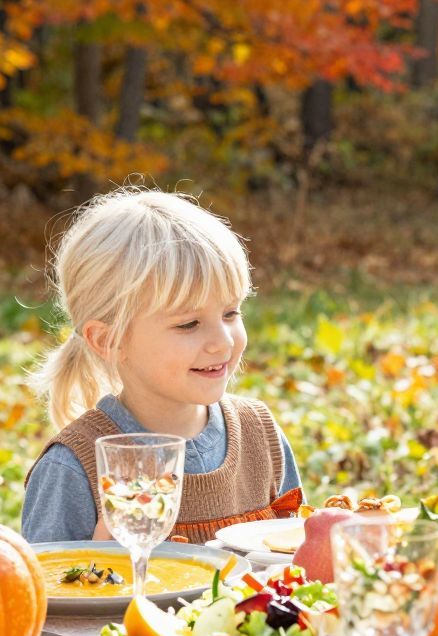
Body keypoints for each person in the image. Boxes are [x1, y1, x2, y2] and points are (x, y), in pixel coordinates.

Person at [21, 188, 302, 543]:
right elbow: (41, 595)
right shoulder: (74, 468)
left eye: (231, 313)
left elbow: (297, 566)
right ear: (108, 340)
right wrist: (101, 561)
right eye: (188, 324)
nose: (224, 342)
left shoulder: (261, 437)